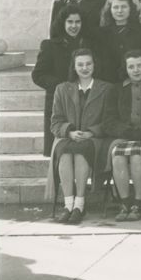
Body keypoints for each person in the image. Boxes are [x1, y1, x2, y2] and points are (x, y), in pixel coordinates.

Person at [49, 48, 114, 224]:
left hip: (94, 139)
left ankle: (80, 204)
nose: (84, 68)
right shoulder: (62, 89)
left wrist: (91, 132)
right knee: (64, 151)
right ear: (74, 67)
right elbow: (55, 122)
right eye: (80, 64)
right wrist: (69, 131)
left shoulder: (106, 88)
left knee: (80, 152)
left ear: (94, 65)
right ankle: (68, 205)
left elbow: (110, 121)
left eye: (88, 64)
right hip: (68, 137)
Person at [102, 50, 141, 221]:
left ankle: (138, 202)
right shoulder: (116, 89)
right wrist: (126, 131)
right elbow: (109, 120)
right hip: (123, 136)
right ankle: (125, 202)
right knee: (118, 156)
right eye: (131, 67)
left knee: (137, 156)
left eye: (139, 65)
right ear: (126, 69)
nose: (136, 70)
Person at [33, 4, 93, 157]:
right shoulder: (50, 45)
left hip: (85, 100)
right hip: (58, 102)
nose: (74, 26)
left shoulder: (90, 44)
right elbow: (38, 75)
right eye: (70, 22)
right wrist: (61, 86)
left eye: (77, 22)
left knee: (82, 148)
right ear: (62, 23)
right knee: (60, 152)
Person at [97, 0, 141, 83]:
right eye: (115, 7)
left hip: (136, 82)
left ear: (130, 8)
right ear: (110, 10)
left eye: (124, 7)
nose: (119, 11)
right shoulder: (102, 33)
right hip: (110, 82)